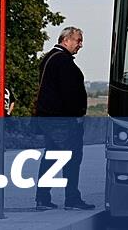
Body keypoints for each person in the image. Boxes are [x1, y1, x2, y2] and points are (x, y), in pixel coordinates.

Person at [34, 26, 94, 211]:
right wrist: (76, 115)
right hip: (62, 119)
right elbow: (69, 93)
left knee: (52, 157)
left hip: (50, 118)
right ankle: (72, 198)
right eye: (78, 40)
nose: (81, 45)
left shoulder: (50, 58)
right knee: (72, 158)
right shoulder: (62, 61)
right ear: (66, 39)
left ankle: (43, 198)